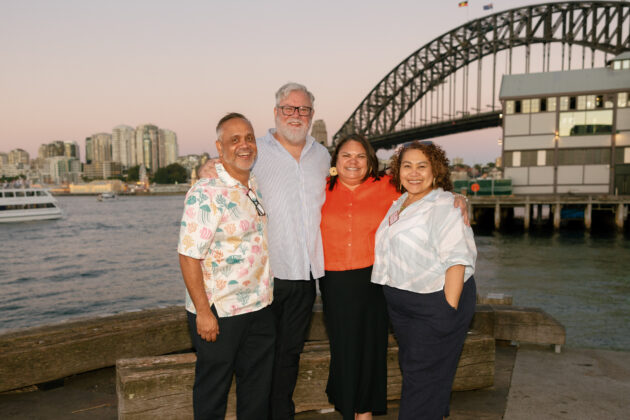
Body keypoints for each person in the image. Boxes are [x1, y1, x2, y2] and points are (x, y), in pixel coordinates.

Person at [199, 83, 330, 420]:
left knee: (289, 356)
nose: (296, 115)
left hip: (306, 274)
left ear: (312, 115)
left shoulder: (323, 156)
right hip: (265, 277)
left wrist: (450, 195)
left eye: (303, 109)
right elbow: (222, 175)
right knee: (259, 361)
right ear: (276, 112)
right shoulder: (255, 152)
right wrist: (204, 169)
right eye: (288, 108)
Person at [178, 113, 275, 419]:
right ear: (219, 148)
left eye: (249, 138)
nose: (244, 145)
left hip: (260, 306)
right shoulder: (206, 192)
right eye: (234, 140)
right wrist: (203, 312)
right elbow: (188, 256)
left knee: (257, 391)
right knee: (213, 391)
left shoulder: (252, 183)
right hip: (220, 311)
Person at [372, 141, 477, 420]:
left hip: (434, 302)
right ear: (398, 170)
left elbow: (457, 260)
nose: (414, 172)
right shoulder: (401, 202)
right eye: (407, 166)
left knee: (421, 378)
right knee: (421, 373)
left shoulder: (445, 206)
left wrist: (446, 310)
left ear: (435, 170)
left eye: (422, 166)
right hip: (404, 305)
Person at [319, 134, 399, 420]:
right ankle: (347, 406)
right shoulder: (319, 188)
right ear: (335, 161)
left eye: (360, 156)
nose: (353, 161)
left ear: (370, 161)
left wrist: (458, 198)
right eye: (346, 155)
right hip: (334, 279)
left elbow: (426, 192)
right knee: (343, 347)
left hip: (374, 278)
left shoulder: (389, 185)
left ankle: (363, 412)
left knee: (371, 347)